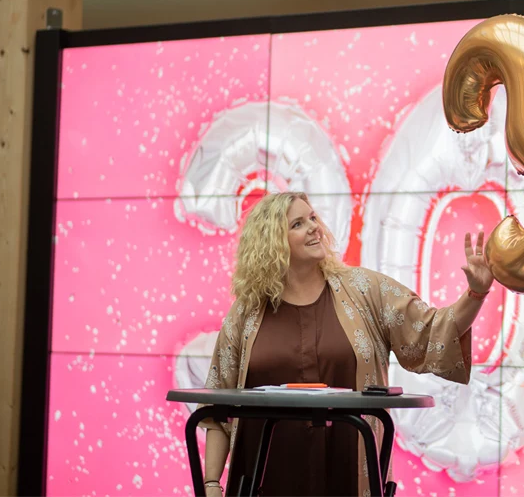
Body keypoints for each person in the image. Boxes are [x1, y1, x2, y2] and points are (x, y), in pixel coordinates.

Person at [198, 192, 493, 497]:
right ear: (271, 242)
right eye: (298, 223)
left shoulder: (365, 289)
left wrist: (476, 294)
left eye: (313, 218)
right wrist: (210, 484)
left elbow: (433, 331)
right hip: (264, 475)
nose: (314, 227)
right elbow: (217, 406)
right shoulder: (247, 311)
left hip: (347, 471)